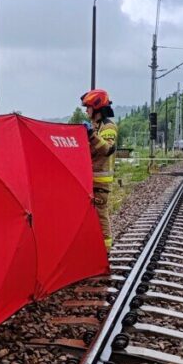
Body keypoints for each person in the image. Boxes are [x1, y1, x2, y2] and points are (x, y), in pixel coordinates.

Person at [80, 89, 118, 250]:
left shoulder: (108, 127)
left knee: (101, 216)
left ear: (96, 107)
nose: (86, 110)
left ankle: (105, 251)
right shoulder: (95, 126)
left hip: (101, 182)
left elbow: (107, 149)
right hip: (90, 179)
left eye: (88, 107)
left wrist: (91, 135)